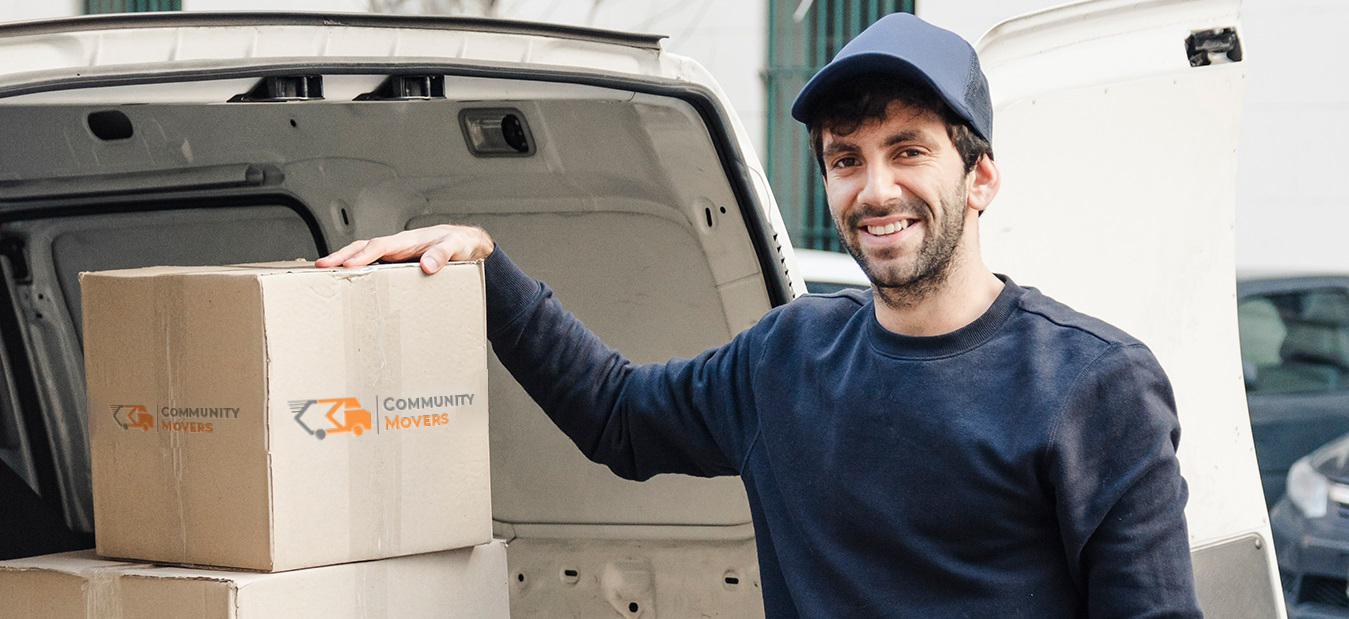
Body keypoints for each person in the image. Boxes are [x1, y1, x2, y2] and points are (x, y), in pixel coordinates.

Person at [316, 13, 1201, 618]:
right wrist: (486, 268)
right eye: (845, 160)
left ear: (980, 177)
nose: (875, 189)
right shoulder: (788, 356)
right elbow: (615, 415)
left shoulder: (1093, 385)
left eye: (908, 151)